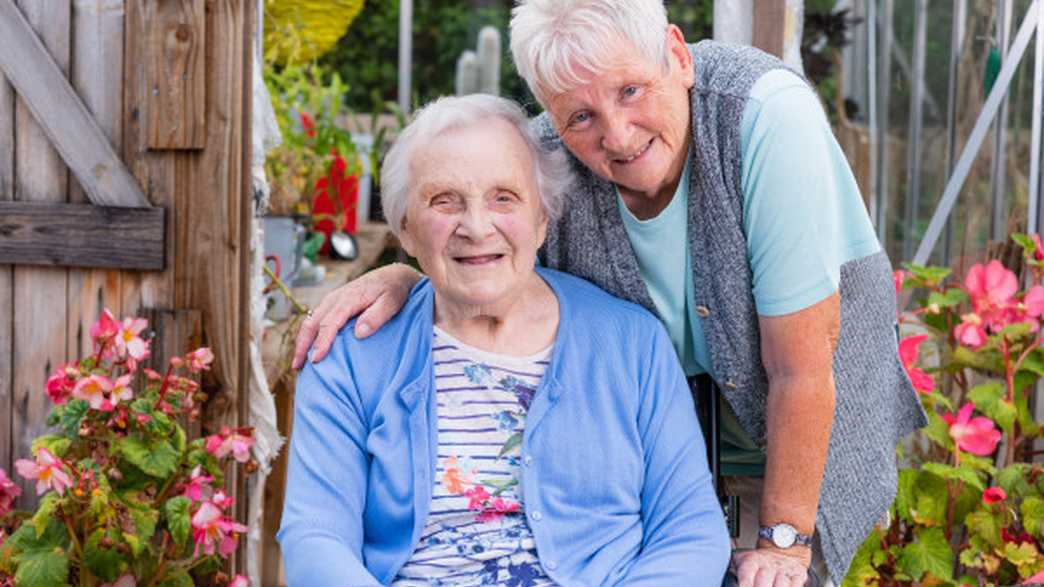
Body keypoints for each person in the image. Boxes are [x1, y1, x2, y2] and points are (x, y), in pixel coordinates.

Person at [293, 1, 928, 584]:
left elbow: (802, 366)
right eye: (582, 115)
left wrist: (785, 542)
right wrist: (413, 274)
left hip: (804, 417)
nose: (618, 136)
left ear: (678, 56)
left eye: (631, 91)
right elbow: (479, 227)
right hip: (676, 427)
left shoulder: (763, 115)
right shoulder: (549, 156)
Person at [277, 94, 731, 586]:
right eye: (443, 200)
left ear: (542, 219)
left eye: (504, 198)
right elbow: (315, 536)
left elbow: (691, 533)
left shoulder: (631, 344)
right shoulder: (351, 352)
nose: (476, 226)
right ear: (405, 230)